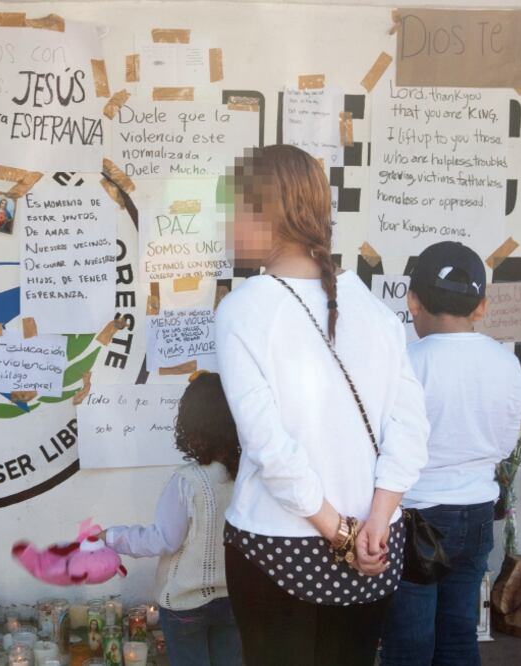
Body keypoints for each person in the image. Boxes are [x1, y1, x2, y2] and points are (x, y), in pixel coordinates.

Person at [215, 144, 430, 665]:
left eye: (231, 210)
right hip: (376, 548)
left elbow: (270, 450)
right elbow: (411, 428)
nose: (224, 225)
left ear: (264, 213)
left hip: (277, 544)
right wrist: (374, 524)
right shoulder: (373, 310)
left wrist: (342, 533)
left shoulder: (243, 310)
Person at [380, 242, 521, 666]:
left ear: (412, 300)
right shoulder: (506, 363)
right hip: (478, 510)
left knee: (409, 640)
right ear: (481, 307)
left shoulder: (406, 362)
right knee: (460, 634)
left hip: (416, 516)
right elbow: (503, 445)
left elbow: (388, 446)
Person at [102, 372, 243, 666]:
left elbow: (162, 539)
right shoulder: (245, 478)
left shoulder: (187, 483)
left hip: (185, 604)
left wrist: (112, 537)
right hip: (233, 599)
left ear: (191, 424)